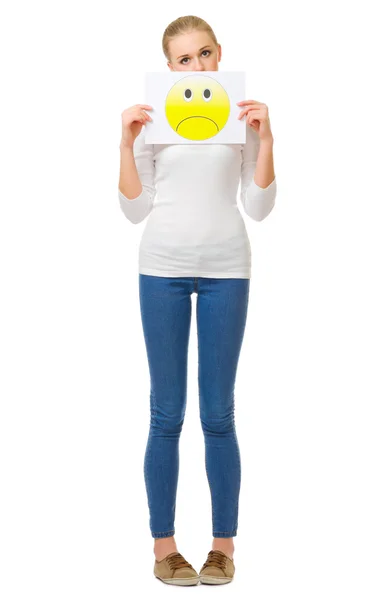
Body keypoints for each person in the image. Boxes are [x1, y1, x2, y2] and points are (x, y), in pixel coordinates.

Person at [118, 15, 277, 586]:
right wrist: (126, 140)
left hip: (227, 270)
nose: (197, 67)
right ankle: (164, 548)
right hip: (159, 268)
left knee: (218, 413)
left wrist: (267, 139)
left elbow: (258, 206)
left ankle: (222, 547)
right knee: (166, 414)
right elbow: (134, 208)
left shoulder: (238, 119)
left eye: (204, 54)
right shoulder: (156, 121)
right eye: (184, 60)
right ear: (169, 69)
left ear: (219, 55)